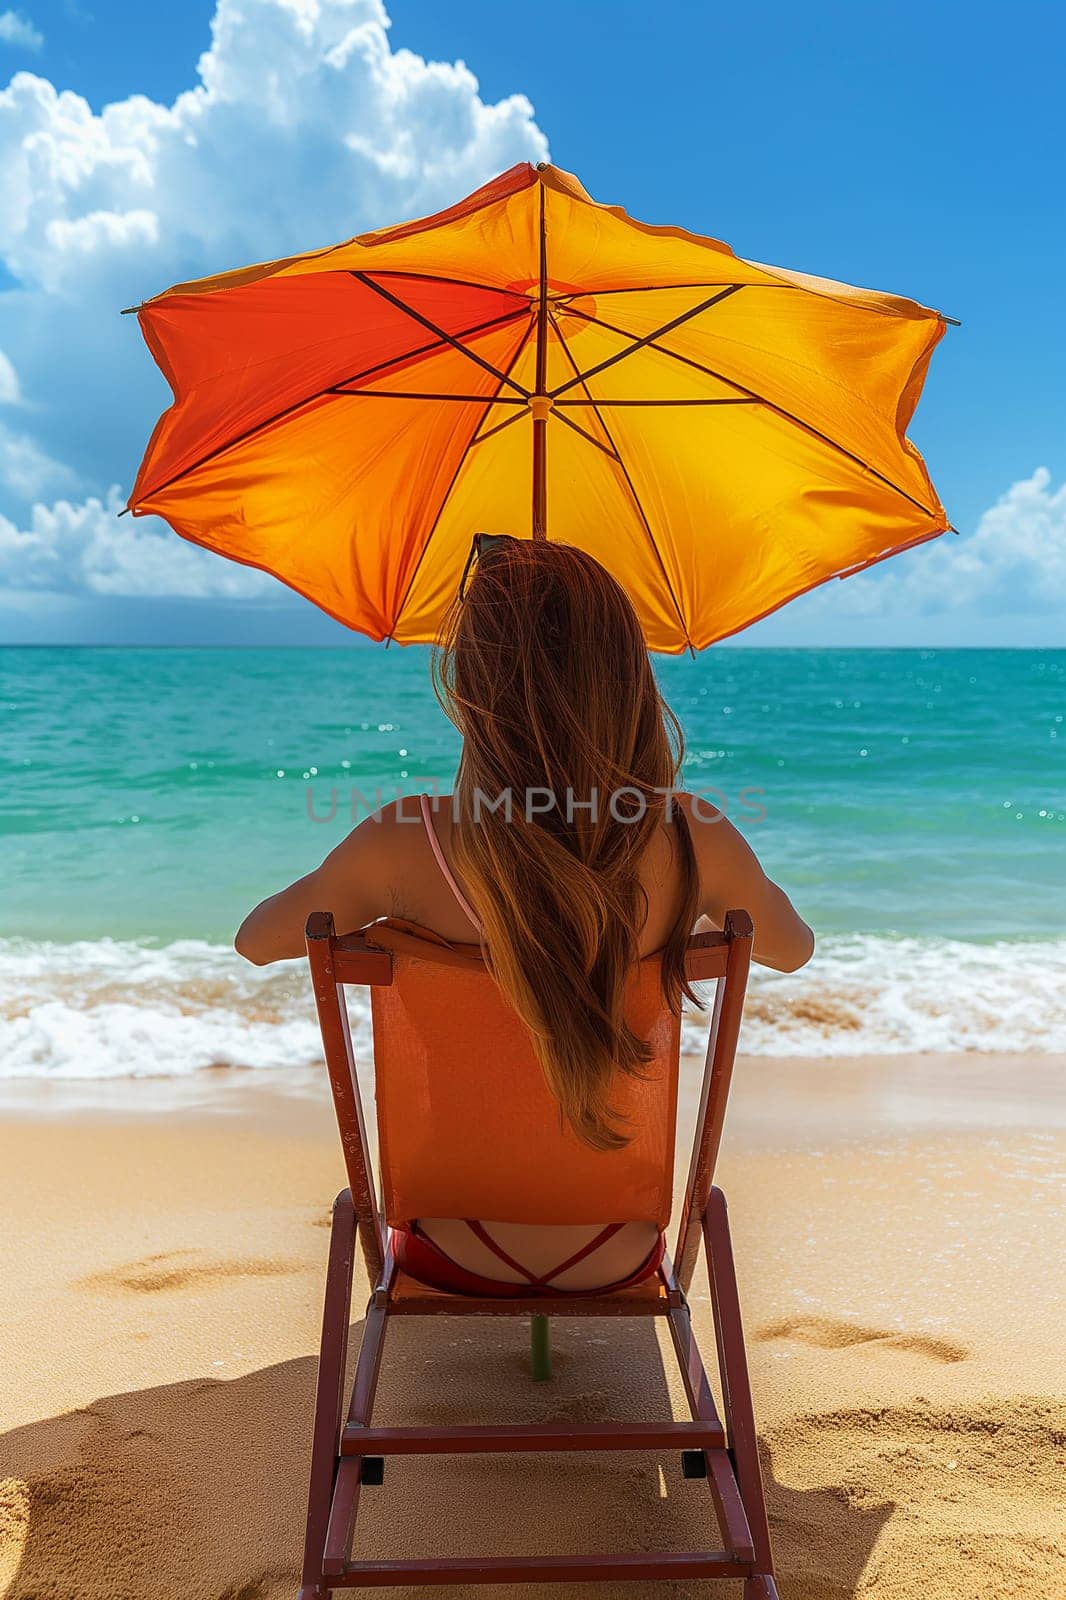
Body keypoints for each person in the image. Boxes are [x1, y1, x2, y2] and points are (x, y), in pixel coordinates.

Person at [236, 535, 813, 1295]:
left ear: (471, 686)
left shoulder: (404, 843)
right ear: (627, 678)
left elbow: (257, 940)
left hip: (449, 1243)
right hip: (620, 1243)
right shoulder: (693, 837)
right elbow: (791, 948)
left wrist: (389, 928)